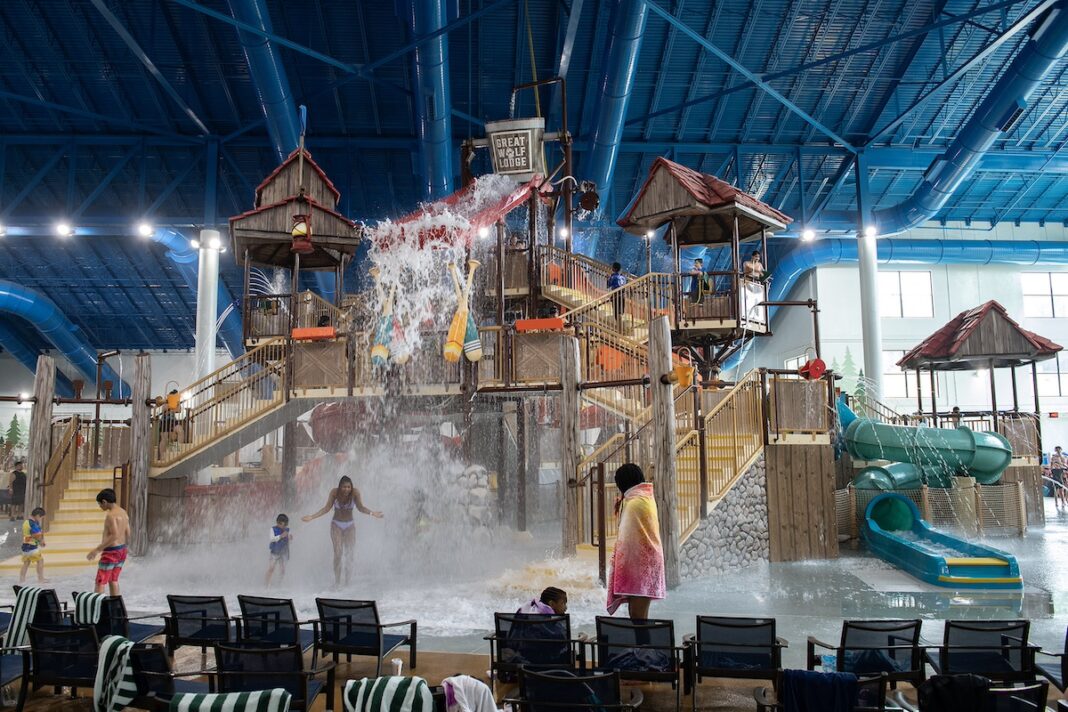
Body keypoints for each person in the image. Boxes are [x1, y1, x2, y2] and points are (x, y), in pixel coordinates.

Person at [606, 464, 665, 620]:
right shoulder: (643, 498)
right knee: (637, 615)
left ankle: (642, 644)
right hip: (645, 564)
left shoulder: (635, 504)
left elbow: (625, 540)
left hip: (641, 566)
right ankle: (641, 644)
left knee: (638, 618)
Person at [303, 475, 383, 587]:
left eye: (348, 487)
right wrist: (312, 517)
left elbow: (361, 508)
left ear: (351, 487)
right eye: (344, 487)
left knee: (350, 554)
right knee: (338, 553)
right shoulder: (334, 493)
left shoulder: (355, 493)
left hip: (350, 526)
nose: (346, 489)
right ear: (340, 487)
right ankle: (337, 582)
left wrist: (372, 513)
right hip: (337, 525)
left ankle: (347, 583)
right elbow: (326, 508)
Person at [86, 488, 130, 595]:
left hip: (111, 552)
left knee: (100, 581)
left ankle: (98, 608)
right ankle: (115, 607)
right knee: (113, 580)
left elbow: (114, 535)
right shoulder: (123, 512)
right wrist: (125, 547)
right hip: (122, 550)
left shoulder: (111, 516)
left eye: (100, 504)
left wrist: (97, 550)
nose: (100, 506)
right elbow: (128, 533)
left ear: (104, 502)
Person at [19, 507, 47, 584]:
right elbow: (36, 535)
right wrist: (41, 541)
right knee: (40, 561)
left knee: (26, 563)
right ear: (38, 515)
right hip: (32, 547)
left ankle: (22, 579)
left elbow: (27, 535)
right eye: (41, 518)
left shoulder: (26, 522)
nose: (40, 519)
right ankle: (40, 579)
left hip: (25, 546)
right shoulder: (33, 524)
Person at [265, 513, 292, 587]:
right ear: (278, 523)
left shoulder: (287, 530)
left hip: (284, 553)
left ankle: (279, 584)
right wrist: (281, 536)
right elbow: (271, 539)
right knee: (271, 569)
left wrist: (290, 538)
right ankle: (267, 585)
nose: (283, 526)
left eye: (285, 525)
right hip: (275, 552)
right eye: (282, 524)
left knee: (282, 570)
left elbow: (289, 540)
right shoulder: (273, 529)